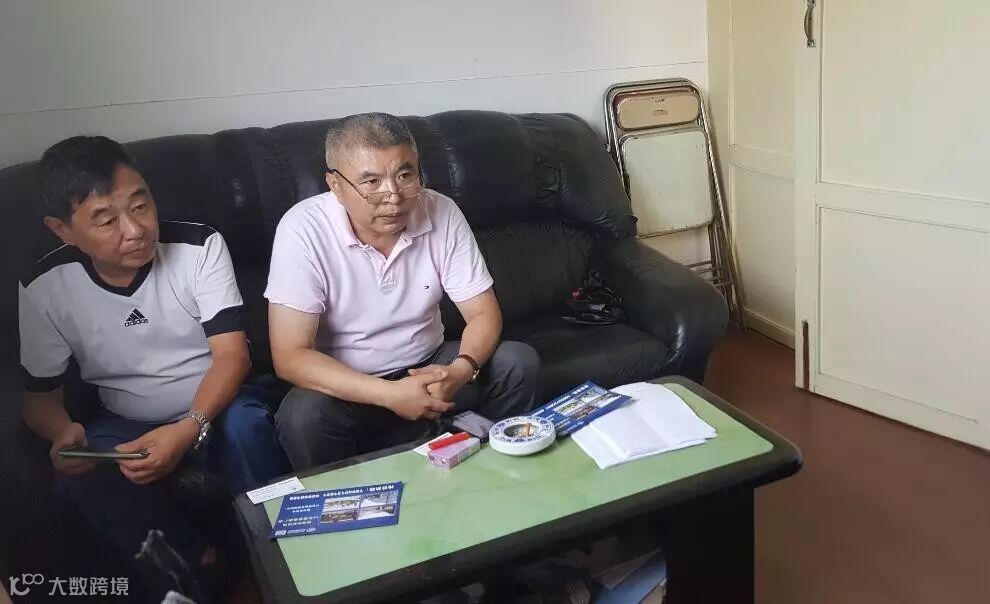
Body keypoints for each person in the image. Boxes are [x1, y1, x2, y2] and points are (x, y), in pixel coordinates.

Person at [18, 136, 289, 580]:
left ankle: (284, 548)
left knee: (248, 428)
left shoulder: (199, 247)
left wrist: (189, 427)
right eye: (107, 220)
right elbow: (39, 398)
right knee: (84, 471)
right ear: (63, 230)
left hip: (220, 402)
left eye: (140, 206)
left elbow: (231, 356)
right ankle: (197, 567)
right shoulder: (44, 286)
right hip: (126, 418)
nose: (135, 229)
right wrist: (61, 432)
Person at [266, 112, 542, 470]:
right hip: (352, 384)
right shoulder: (303, 230)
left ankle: (495, 474)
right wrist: (390, 395)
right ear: (335, 185)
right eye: (371, 182)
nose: (393, 197)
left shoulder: (441, 210)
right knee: (303, 418)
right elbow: (290, 356)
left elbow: (483, 313)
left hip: (431, 365)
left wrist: (461, 370)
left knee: (517, 364)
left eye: (405, 175)